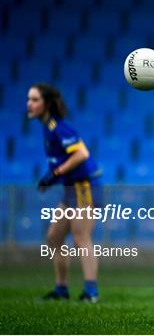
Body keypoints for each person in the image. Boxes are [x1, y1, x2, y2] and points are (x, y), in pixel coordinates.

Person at [27, 83, 102, 302]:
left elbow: (81, 154)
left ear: (47, 103)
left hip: (83, 186)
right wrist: (53, 177)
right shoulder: (48, 127)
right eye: (29, 99)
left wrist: (54, 174)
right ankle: (61, 289)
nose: (29, 104)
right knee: (54, 237)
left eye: (34, 100)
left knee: (81, 238)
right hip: (71, 188)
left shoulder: (59, 127)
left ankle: (91, 291)